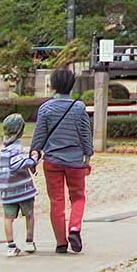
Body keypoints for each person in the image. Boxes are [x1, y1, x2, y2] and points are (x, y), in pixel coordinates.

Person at [30, 67, 93, 254]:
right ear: (72, 85)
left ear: (54, 85)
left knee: (56, 201)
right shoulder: (79, 107)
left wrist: (33, 156)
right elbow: (85, 135)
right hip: (75, 161)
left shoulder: (46, 109)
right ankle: (74, 228)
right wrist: (87, 157)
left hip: (52, 161)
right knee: (78, 197)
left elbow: (39, 137)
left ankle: (60, 242)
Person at [0, 113, 37, 257]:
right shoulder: (15, 148)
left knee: (8, 218)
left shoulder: (4, 148)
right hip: (22, 189)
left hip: (7, 189)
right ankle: (29, 241)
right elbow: (17, 164)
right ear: (20, 130)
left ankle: (11, 245)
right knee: (29, 215)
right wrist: (33, 160)